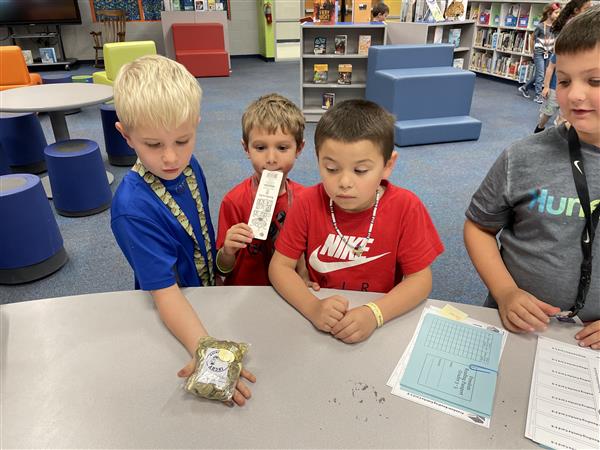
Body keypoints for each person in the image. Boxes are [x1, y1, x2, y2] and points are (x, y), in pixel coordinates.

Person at [111, 54, 255, 405]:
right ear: (126, 135)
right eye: (154, 145)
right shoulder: (132, 209)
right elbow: (165, 294)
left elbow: (199, 233)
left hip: (204, 294)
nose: (172, 158)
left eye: (183, 140)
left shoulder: (190, 169)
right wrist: (207, 353)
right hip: (173, 310)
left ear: (196, 124)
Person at [464, 6, 600, 349]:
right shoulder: (522, 157)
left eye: (594, 80)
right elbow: (479, 227)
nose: (575, 95)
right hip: (516, 323)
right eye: (565, 81)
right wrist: (505, 291)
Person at [269, 100, 444, 344]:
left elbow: (421, 280)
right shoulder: (307, 203)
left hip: (381, 317)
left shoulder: (406, 207)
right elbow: (279, 267)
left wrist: (375, 314)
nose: (344, 182)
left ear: (388, 165)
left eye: (360, 170)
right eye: (331, 168)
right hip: (323, 319)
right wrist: (313, 308)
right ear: (318, 159)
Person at [216, 93, 307, 285]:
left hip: (291, 292)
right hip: (244, 290)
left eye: (282, 148)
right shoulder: (233, 201)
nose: (271, 158)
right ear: (246, 148)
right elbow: (222, 268)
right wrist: (227, 251)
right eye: (260, 147)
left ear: (299, 148)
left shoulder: (306, 200)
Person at [534, 0, 592, 132]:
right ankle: (539, 128)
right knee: (547, 113)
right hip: (555, 86)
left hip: (571, 87)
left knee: (564, 116)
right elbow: (551, 67)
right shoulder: (561, 51)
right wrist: (546, 86)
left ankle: (559, 137)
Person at [518, 2, 561, 103]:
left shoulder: (556, 27)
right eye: (556, 13)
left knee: (542, 74)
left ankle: (525, 87)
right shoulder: (540, 26)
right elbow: (532, 38)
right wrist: (532, 52)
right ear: (549, 14)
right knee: (541, 74)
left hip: (549, 52)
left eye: (559, 13)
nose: (558, 15)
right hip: (539, 53)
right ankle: (538, 96)